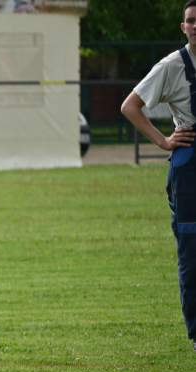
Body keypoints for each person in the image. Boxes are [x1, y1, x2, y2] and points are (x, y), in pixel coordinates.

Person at [121, 0, 196, 352]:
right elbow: (130, 106)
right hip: (189, 164)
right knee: (191, 251)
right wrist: (164, 141)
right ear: (183, 27)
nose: (195, 26)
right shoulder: (171, 66)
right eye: (190, 21)